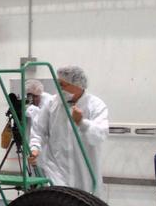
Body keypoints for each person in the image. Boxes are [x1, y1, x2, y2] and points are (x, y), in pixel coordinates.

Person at [28, 65, 109, 196]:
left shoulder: (95, 105)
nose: (59, 89)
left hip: (84, 171)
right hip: (55, 169)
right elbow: (39, 131)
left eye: (63, 85)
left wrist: (82, 123)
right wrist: (35, 149)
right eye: (58, 84)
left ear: (78, 85)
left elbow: (100, 134)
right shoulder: (52, 104)